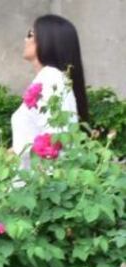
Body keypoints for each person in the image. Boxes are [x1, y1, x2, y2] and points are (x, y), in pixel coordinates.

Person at [11, 14, 89, 169]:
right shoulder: (47, 79)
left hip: (41, 185)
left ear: (48, 40)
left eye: (30, 34)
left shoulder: (53, 79)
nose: (25, 39)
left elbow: (56, 138)